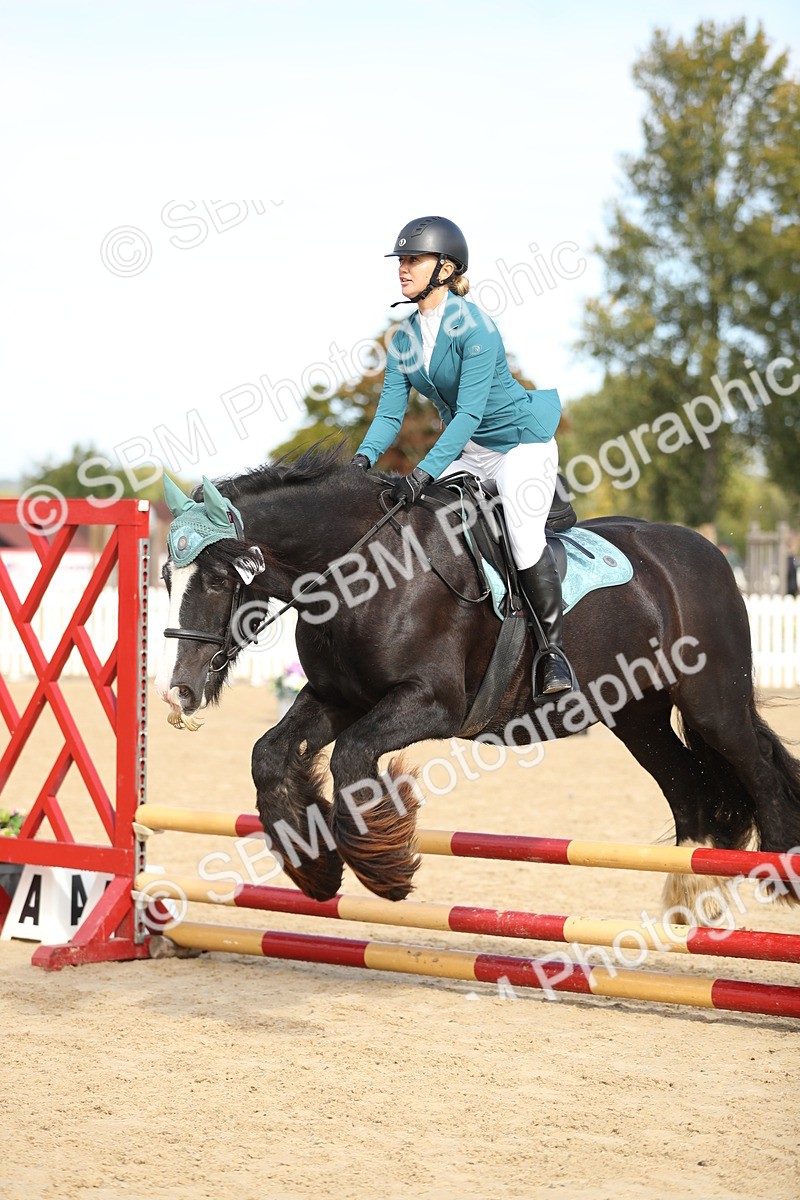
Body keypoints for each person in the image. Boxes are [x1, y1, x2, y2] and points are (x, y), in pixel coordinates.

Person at [351, 215, 571, 695]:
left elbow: (469, 413)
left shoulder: (475, 328)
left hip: (520, 445)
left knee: (521, 533)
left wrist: (424, 471)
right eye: (401, 261)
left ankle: (554, 654)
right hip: (470, 451)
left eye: (414, 260)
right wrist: (361, 462)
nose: (403, 269)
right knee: (422, 519)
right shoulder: (404, 339)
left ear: (445, 268)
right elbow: (390, 416)